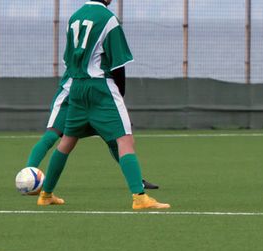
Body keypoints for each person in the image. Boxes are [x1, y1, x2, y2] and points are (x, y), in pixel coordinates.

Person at [35, 0, 169, 210]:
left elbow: (68, 60)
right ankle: (140, 197)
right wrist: (119, 94)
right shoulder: (109, 19)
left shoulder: (74, 18)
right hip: (100, 87)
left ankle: (46, 194)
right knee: (125, 140)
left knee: (67, 141)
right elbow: (118, 64)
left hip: (77, 86)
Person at [22, 75, 159, 194]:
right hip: (69, 96)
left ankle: (137, 181)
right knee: (53, 135)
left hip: (95, 96)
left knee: (114, 139)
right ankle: (28, 178)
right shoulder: (83, 46)